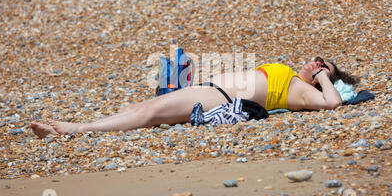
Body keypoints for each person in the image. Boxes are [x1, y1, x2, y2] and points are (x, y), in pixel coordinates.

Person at [30, 57, 360, 138]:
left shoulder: (302, 90)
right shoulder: (290, 75)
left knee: (148, 115)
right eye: (317, 60)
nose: (314, 64)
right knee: (142, 108)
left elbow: (333, 103)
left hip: (215, 98)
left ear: (322, 77)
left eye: (322, 66)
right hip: (209, 90)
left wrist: (323, 78)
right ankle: (82, 126)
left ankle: (72, 130)